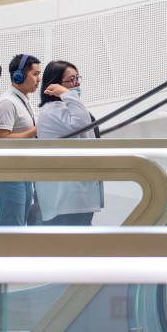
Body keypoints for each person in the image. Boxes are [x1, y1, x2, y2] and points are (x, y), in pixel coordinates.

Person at [35, 60, 103, 226]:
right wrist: (67, 94)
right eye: (71, 80)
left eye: (77, 78)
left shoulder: (63, 108)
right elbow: (82, 124)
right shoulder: (53, 110)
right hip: (66, 202)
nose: (77, 83)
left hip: (74, 199)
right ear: (55, 85)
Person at [0, 53, 41, 226]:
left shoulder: (23, 101)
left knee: (19, 227)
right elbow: (1, 139)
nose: (39, 79)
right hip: (8, 173)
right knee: (12, 225)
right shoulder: (7, 103)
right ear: (18, 75)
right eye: (35, 74)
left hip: (22, 171)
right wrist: (35, 130)